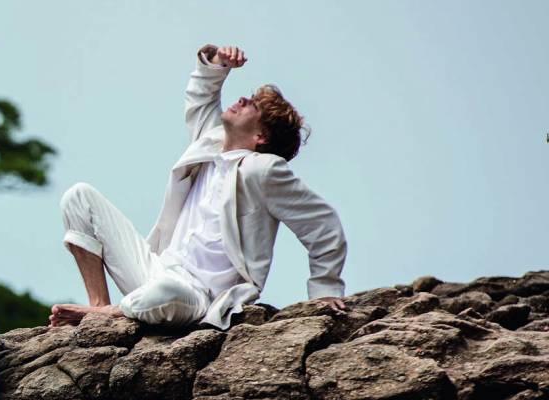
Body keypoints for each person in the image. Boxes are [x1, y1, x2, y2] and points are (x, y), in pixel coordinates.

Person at [50, 44, 348, 329]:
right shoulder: (210, 142)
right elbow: (200, 100)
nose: (242, 100)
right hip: (155, 269)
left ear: (261, 136)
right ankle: (98, 307)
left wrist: (325, 289)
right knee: (79, 197)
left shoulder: (263, 169)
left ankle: (111, 313)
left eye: (253, 106)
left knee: (165, 292)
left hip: (197, 296)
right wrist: (219, 63)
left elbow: (322, 224)